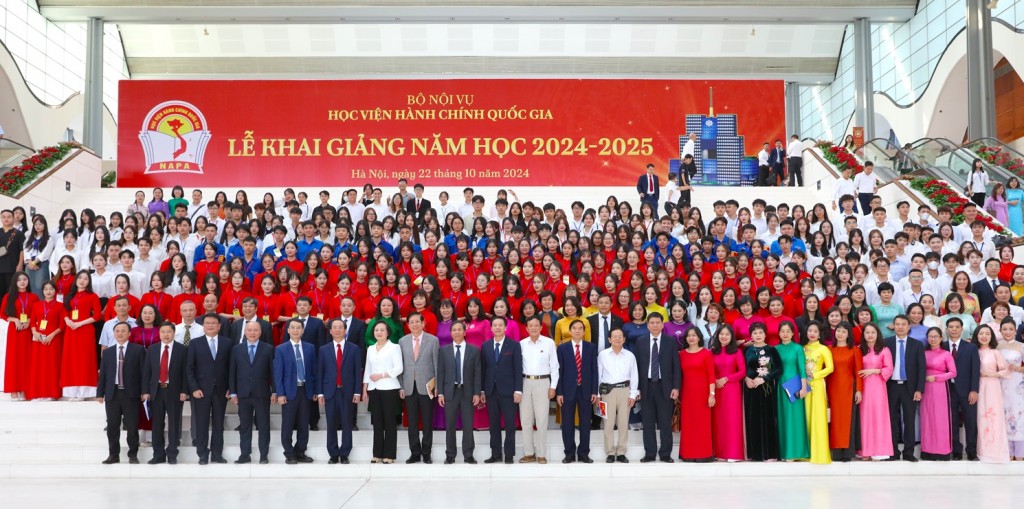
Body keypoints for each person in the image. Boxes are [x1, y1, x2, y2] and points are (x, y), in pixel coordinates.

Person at [186, 312, 233, 465]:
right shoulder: (195, 343)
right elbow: (189, 368)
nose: (211, 325)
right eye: (208, 323)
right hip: (201, 391)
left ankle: (217, 454)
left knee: (219, 424)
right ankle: (202, 454)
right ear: (203, 326)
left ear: (219, 326)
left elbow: (231, 368)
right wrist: (193, 388)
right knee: (201, 423)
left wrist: (230, 388)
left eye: (214, 323)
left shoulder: (227, 343)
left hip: (221, 391)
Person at [634, 313, 681, 462]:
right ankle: (650, 453)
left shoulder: (670, 341)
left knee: (665, 422)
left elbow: (676, 366)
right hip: (646, 386)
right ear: (647, 325)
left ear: (662, 325)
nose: (654, 325)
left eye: (657, 323)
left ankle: (665, 454)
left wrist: (676, 387)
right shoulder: (640, 342)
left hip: (665, 386)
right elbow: (637, 367)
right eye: (652, 323)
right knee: (648, 422)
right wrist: (637, 389)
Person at [97, 322, 145, 464]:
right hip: (113, 393)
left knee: (132, 426)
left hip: (131, 394)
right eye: (117, 331)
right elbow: (104, 374)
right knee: (112, 426)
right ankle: (113, 455)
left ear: (129, 333)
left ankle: (133, 455)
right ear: (114, 333)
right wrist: (100, 393)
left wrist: (144, 391)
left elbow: (143, 373)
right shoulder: (108, 352)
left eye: (123, 331)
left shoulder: (138, 350)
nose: (120, 333)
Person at [316, 318, 363, 464]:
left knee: (347, 423)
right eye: (334, 327)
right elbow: (320, 372)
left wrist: (357, 392)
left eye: (340, 327)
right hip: (330, 391)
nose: (337, 330)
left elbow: (357, 371)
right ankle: (333, 453)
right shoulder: (324, 349)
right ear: (330, 331)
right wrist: (320, 393)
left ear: (345, 330)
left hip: (347, 392)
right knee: (331, 424)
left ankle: (345, 453)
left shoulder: (354, 349)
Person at [141, 321, 188, 465]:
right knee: (157, 424)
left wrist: (185, 390)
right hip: (156, 392)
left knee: (174, 423)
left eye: (169, 332)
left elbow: (186, 372)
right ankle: (158, 454)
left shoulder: (182, 350)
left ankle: (172, 454)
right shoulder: (152, 349)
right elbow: (147, 372)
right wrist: (145, 391)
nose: (166, 334)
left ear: (174, 333)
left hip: (174, 391)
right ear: (159, 333)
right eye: (163, 332)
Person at [229, 320, 275, 465]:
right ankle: (245, 454)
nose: (252, 333)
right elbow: (232, 372)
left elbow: (273, 372)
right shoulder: (237, 349)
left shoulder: (268, 349)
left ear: (260, 332)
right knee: (245, 425)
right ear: (245, 332)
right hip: (243, 394)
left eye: (255, 330)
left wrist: (274, 391)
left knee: (263, 425)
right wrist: (233, 392)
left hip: (262, 393)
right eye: (249, 330)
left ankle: (263, 455)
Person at [436, 320, 481, 464]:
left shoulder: (474, 350)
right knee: (450, 425)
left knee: (468, 425)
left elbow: (477, 373)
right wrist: (441, 393)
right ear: (450, 333)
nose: (457, 332)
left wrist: (477, 393)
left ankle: (468, 455)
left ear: (464, 331)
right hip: (450, 392)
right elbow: (441, 373)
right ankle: (450, 455)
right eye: (454, 330)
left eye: (459, 329)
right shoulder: (443, 350)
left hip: (467, 392)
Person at [398, 311, 440, 463]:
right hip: (409, 387)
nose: (415, 324)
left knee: (428, 422)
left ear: (423, 323)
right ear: (408, 325)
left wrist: (437, 387)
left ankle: (427, 453)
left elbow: (436, 365)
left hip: (427, 387)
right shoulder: (402, 341)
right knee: (412, 423)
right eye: (412, 322)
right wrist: (401, 387)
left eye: (418, 322)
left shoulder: (433, 340)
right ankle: (415, 453)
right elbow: (400, 367)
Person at [555, 319, 599, 463]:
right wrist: (559, 392)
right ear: (570, 330)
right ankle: (569, 453)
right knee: (567, 424)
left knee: (585, 424)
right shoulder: (562, 348)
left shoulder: (591, 347)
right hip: (567, 391)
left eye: (581, 328)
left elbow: (594, 371)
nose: (578, 330)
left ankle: (583, 453)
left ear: (584, 331)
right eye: (575, 328)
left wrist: (594, 391)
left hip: (586, 391)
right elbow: (559, 372)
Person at [274, 318, 317, 464]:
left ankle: (300, 452)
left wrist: (315, 390)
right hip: (289, 392)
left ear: (303, 330)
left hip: (305, 390)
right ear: (288, 330)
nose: (295, 330)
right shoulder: (281, 349)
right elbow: (278, 374)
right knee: (288, 424)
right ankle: (289, 453)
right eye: (292, 327)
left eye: (298, 328)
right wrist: (280, 393)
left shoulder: (310, 348)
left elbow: (313, 371)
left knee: (304, 423)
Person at [481, 316, 523, 463]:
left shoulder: (514, 345)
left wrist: (518, 390)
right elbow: (483, 369)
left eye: (500, 325)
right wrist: (482, 391)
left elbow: (518, 369)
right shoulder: (485, 346)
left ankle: (509, 454)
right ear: (491, 328)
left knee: (510, 424)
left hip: (509, 392)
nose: (497, 327)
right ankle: (496, 454)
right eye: (495, 325)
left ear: (506, 328)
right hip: (491, 391)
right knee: (494, 425)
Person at [518, 315, 558, 464]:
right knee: (526, 420)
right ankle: (529, 453)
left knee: (541, 420)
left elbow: (554, 366)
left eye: (536, 325)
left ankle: (541, 453)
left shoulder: (549, 343)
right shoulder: (521, 344)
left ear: (541, 328)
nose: (534, 328)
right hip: (525, 382)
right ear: (526, 328)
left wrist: (553, 386)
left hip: (543, 383)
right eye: (531, 326)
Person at [885, 315, 926, 461]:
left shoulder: (917, 344)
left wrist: (919, 389)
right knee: (892, 420)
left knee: (909, 420)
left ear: (909, 326)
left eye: (903, 324)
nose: (900, 327)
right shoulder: (886, 343)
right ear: (893, 326)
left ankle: (909, 453)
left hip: (910, 387)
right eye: (897, 324)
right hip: (891, 387)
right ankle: (893, 452)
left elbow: (922, 369)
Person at [363, 321, 403, 463]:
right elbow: (368, 369)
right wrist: (365, 388)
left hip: (389, 388)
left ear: (388, 332)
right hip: (374, 389)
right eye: (376, 330)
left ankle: (390, 454)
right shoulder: (371, 348)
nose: (379, 332)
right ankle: (377, 454)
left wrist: (382, 375)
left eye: (382, 330)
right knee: (377, 422)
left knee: (390, 422)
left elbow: (399, 368)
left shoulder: (394, 347)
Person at [597, 328, 638, 463]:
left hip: (624, 391)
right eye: (614, 337)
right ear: (609, 339)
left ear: (624, 339)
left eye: (620, 336)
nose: (617, 339)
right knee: (608, 423)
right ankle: (609, 451)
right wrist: (598, 395)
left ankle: (621, 452)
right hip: (607, 392)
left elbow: (634, 376)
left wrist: (633, 395)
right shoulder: (602, 355)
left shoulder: (630, 355)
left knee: (623, 422)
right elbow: (598, 375)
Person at [743, 322, 782, 461]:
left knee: (769, 419)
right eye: (755, 333)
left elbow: (778, 370)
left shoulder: (772, 350)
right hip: (751, 388)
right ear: (751, 335)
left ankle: (770, 453)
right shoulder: (746, 351)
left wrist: (764, 379)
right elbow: (742, 368)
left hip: (767, 389)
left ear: (765, 334)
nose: (758, 335)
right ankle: (755, 453)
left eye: (760, 332)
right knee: (752, 419)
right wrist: (747, 378)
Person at [61, 270, 101, 400]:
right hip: (71, 330)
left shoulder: (92, 296)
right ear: (76, 279)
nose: (82, 280)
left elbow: (97, 315)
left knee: (84, 359)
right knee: (71, 359)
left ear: (89, 282)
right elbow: (65, 311)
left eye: (86, 279)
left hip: (85, 330)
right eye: (80, 278)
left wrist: (80, 323)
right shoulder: (70, 295)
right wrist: (68, 321)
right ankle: (72, 391)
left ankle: (84, 392)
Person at [944, 317, 980, 461]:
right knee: (951, 421)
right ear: (946, 329)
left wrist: (974, 390)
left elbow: (975, 370)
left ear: (961, 329)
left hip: (967, 391)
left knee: (970, 421)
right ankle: (956, 450)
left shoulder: (970, 347)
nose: (954, 329)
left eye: (956, 327)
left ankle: (971, 451)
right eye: (951, 327)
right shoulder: (942, 345)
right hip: (947, 389)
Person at [974, 325, 1011, 463]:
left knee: (993, 415)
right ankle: (982, 451)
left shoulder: (995, 352)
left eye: (987, 334)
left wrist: (993, 374)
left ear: (991, 337)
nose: (984, 336)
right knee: (980, 416)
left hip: (993, 386)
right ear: (976, 335)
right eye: (981, 333)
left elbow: (1006, 370)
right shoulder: (973, 351)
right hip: (977, 386)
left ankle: (995, 452)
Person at [826, 322, 863, 462]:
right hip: (832, 388)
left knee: (848, 420)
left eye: (843, 331)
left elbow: (858, 372)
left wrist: (859, 390)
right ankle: (835, 452)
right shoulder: (829, 349)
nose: (840, 333)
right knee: (834, 420)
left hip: (848, 389)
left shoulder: (854, 350)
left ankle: (847, 453)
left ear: (849, 334)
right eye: (838, 330)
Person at [678, 327, 715, 462]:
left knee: (702, 424)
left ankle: (703, 454)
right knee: (688, 424)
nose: (691, 338)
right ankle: (688, 454)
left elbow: (711, 375)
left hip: (703, 394)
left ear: (699, 337)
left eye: (694, 335)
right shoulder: (681, 354)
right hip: (687, 394)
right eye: (688, 335)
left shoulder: (706, 353)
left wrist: (711, 394)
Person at [858, 323, 894, 460]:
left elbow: (889, 369)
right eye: (867, 332)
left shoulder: (884, 350)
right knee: (864, 418)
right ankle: (865, 451)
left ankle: (879, 451)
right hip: (863, 387)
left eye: (873, 332)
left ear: (878, 334)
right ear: (863, 335)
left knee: (879, 417)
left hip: (878, 387)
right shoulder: (859, 349)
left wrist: (875, 370)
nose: (870, 335)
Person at [710, 325, 745, 461]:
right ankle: (719, 453)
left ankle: (733, 453)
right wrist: (715, 380)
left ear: (732, 338)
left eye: (727, 335)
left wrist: (726, 379)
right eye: (721, 334)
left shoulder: (736, 352)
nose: (724, 337)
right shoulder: (712, 352)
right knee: (719, 422)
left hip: (732, 390)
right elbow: (708, 370)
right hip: (716, 389)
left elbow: (742, 371)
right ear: (717, 335)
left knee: (732, 421)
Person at [920, 326, 956, 461]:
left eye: (936, 336)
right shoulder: (923, 353)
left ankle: (942, 451)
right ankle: (927, 450)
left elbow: (953, 372)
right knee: (926, 418)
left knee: (940, 419)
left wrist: (936, 378)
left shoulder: (946, 354)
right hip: (925, 388)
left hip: (940, 388)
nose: (933, 339)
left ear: (941, 338)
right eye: (930, 336)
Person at [775, 320, 808, 460]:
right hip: (780, 385)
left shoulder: (797, 348)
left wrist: (804, 387)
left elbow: (802, 368)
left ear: (793, 333)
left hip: (795, 386)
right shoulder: (775, 349)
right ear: (779, 333)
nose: (785, 334)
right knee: (783, 418)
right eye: (782, 331)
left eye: (788, 331)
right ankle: (785, 452)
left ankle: (796, 452)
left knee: (795, 418)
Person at [26, 281, 65, 400]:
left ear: (55, 291)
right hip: (38, 339)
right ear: (42, 291)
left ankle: (51, 393)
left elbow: (62, 325)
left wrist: (52, 335)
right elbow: (32, 321)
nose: (49, 291)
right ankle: (38, 393)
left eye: (51, 289)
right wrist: (34, 332)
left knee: (52, 366)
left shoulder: (60, 306)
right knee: (38, 365)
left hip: (53, 339)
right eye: (46, 289)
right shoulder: (37, 305)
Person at [1, 272, 37, 400]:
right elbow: (3, 314)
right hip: (15, 331)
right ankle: (13, 389)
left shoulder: (33, 297)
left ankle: (25, 388)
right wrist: (15, 320)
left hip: (27, 330)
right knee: (13, 359)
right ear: (15, 282)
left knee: (27, 359)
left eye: (25, 279)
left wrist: (28, 321)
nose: (22, 282)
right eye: (19, 280)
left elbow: (36, 314)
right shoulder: (8, 296)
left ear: (28, 281)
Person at [802, 321, 834, 464]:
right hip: (803, 386)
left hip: (818, 385)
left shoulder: (824, 349)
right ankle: (806, 452)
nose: (812, 333)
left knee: (818, 417)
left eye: (815, 331)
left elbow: (830, 368)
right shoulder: (802, 348)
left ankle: (819, 453)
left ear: (820, 334)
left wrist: (814, 374)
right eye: (810, 331)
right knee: (806, 416)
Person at [996, 318, 1024, 460]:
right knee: (1003, 415)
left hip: (1017, 385)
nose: (1007, 332)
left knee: (1018, 415)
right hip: (1000, 384)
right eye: (1004, 329)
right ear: (1000, 330)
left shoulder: (1021, 346)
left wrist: (1018, 368)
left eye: (1010, 329)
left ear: (1015, 331)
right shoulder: (996, 346)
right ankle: (1007, 451)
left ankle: (1019, 452)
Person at [0, 210, 26, 303]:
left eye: (9, 216)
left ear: (13, 218)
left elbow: (22, 250)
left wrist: (20, 264)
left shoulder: (19, 234)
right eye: (3, 217)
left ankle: (9, 311)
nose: (6, 219)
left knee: (11, 291)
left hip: (12, 267)